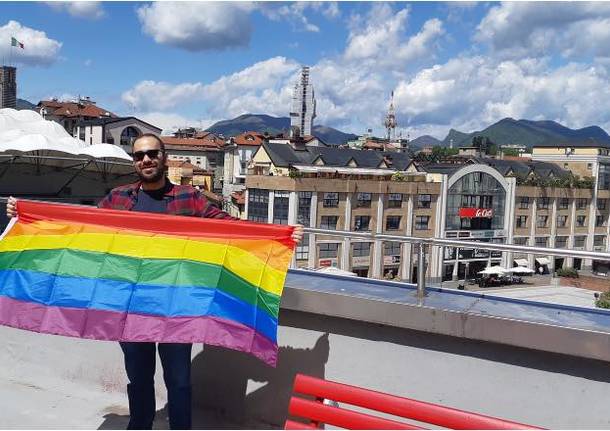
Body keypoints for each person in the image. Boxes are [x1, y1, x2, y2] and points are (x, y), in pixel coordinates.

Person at [6, 133, 304, 430]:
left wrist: (280, 235)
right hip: (130, 306)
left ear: (164, 158)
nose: (146, 160)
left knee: (178, 380)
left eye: (152, 154)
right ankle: (140, 425)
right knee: (139, 376)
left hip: (178, 307)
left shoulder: (189, 198)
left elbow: (230, 227)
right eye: (139, 156)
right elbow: (82, 228)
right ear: (134, 162)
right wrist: (27, 214)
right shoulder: (119, 199)